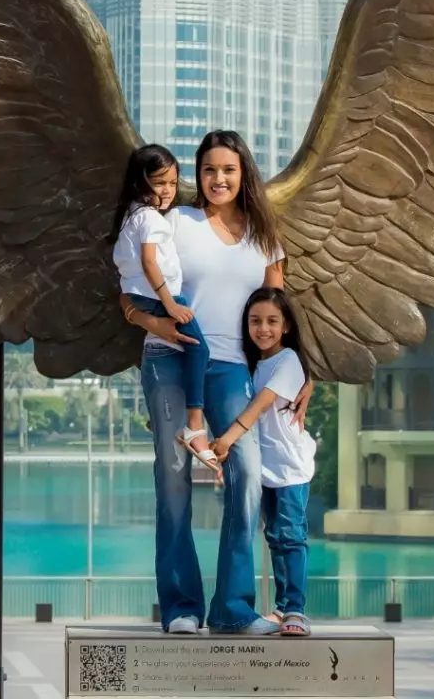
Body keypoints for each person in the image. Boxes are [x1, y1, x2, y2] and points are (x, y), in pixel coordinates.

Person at [120, 130, 312, 636]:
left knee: (248, 472)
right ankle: (181, 606)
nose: (218, 179)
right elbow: (128, 299)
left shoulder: (266, 237)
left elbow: (277, 318)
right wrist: (157, 325)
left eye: (228, 169)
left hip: (232, 369)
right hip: (169, 359)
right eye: (209, 170)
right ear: (197, 175)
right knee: (174, 476)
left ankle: (233, 609)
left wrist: (302, 375)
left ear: (243, 172)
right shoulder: (173, 222)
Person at [211, 287, 316, 637]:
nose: (263, 328)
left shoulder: (288, 360)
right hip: (262, 467)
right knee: (273, 537)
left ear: (286, 325)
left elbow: (261, 404)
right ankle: (283, 608)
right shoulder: (251, 363)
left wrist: (227, 438)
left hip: (288, 467)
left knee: (290, 536)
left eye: (272, 321)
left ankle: (296, 610)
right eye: (255, 321)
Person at [109, 144, 219, 473]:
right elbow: (149, 261)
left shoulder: (131, 214)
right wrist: (170, 303)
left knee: (186, 352)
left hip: (141, 299)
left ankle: (161, 416)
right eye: (160, 183)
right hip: (160, 300)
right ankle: (195, 428)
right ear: (142, 182)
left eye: (173, 183)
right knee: (199, 351)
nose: (168, 190)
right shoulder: (151, 219)